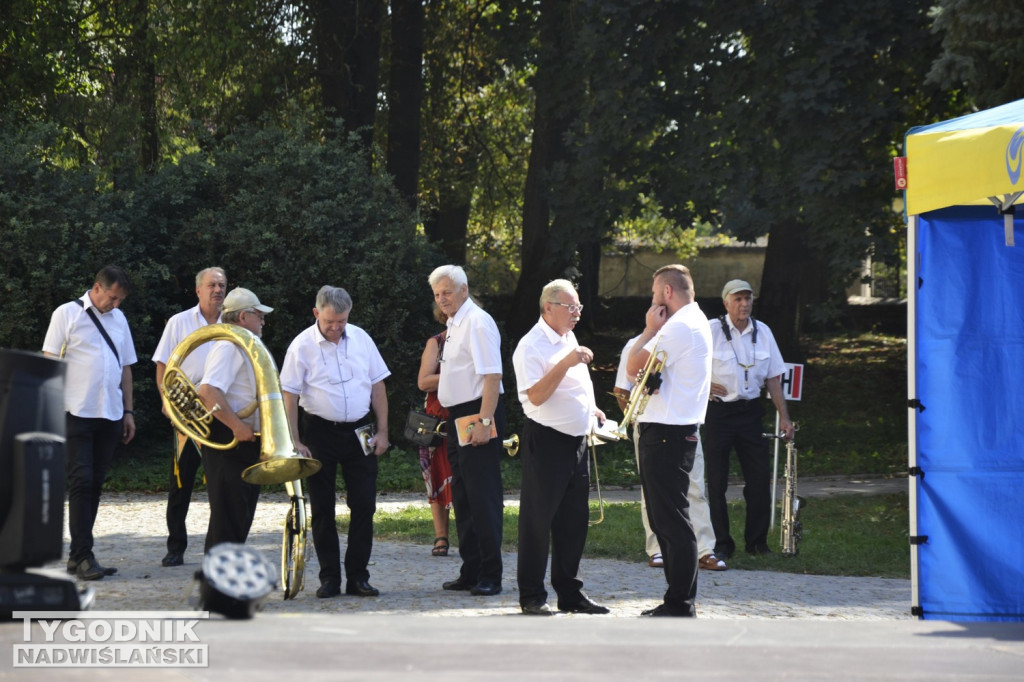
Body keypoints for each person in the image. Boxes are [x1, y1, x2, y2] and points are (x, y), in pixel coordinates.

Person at [280, 285, 391, 599]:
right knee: (322, 507)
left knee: (365, 504)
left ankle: (358, 577)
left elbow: (378, 387)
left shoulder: (362, 339)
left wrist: (383, 432)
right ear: (316, 313)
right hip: (318, 432)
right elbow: (288, 395)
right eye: (330, 321)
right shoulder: (301, 345)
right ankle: (329, 578)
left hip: (360, 431)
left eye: (341, 321)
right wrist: (295, 440)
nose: (336, 327)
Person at [512, 279, 610, 616]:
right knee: (538, 522)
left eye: (579, 307)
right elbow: (535, 395)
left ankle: (570, 593)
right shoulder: (531, 346)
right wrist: (565, 363)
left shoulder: (568, 336)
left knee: (574, 522)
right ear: (548, 307)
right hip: (547, 440)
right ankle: (532, 596)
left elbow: (579, 383)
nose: (577, 313)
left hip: (577, 441)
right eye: (571, 307)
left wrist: (592, 408)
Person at [626, 264, 712, 617]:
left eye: (653, 294)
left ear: (666, 293)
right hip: (672, 430)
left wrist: (649, 329)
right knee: (668, 518)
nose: (652, 300)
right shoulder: (696, 320)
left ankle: (680, 602)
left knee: (671, 520)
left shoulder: (678, 327)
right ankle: (679, 598)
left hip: (666, 433)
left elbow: (634, 366)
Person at [42, 265, 138, 581]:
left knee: (94, 485)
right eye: (112, 297)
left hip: (109, 414)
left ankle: (78, 556)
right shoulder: (66, 315)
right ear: (97, 288)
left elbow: (126, 368)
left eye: (120, 300)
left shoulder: (120, 319)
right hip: (74, 411)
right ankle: (83, 556)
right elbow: (49, 363)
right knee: (82, 481)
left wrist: (128, 412)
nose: (116, 304)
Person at [614, 335, 727, 573]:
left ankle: (705, 550)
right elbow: (621, 389)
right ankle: (656, 548)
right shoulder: (636, 345)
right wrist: (634, 420)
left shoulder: (689, 339)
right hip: (650, 426)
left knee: (695, 487)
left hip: (685, 425)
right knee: (652, 488)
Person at [428, 264, 505, 597]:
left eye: (447, 292)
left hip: (477, 412)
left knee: (483, 497)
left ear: (463, 289)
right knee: (463, 496)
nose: (442, 299)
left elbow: (492, 376)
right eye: (437, 294)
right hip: (457, 414)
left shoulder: (477, 322)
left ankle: (491, 573)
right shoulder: (453, 323)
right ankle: (470, 569)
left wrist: (485, 422)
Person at [704, 279, 794, 559]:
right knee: (716, 481)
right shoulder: (710, 330)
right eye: (738, 299)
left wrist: (785, 418)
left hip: (750, 412)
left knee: (758, 479)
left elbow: (774, 378)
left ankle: (757, 543)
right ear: (726, 302)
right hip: (718, 413)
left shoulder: (763, 331)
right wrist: (704, 385)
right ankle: (721, 543)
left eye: (748, 299)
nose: (744, 304)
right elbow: (686, 366)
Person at [152, 266, 227, 567]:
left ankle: (215, 547)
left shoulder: (233, 322)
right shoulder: (179, 322)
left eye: (222, 285)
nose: (217, 290)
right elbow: (162, 366)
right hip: (186, 412)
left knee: (220, 485)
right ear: (198, 290)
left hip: (221, 413)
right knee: (180, 484)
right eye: (211, 285)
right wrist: (166, 403)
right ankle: (175, 547)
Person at [195, 287, 272, 551]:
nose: (263, 320)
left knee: (233, 520)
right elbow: (207, 390)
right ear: (242, 318)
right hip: (230, 440)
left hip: (241, 441)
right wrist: (238, 426)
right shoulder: (228, 346)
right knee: (229, 521)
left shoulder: (242, 345)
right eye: (258, 315)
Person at [416, 303, 453, 557]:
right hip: (436, 419)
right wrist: (455, 374)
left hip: (467, 415)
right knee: (436, 476)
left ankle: (471, 536)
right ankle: (441, 536)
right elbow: (424, 382)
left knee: (464, 478)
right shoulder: (436, 343)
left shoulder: (476, 341)